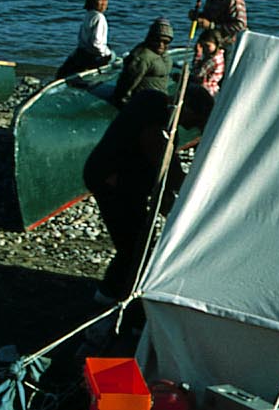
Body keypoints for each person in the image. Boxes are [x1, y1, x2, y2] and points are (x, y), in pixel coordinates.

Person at [84, 85, 214, 304]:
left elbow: (163, 163)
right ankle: (111, 295)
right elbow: (164, 163)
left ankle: (115, 289)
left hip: (122, 178)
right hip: (112, 180)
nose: (192, 128)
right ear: (188, 108)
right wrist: (189, 193)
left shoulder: (153, 102)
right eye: (197, 122)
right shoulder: (154, 114)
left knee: (138, 239)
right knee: (134, 243)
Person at [111, 17, 174, 107]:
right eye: (157, 40)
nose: (161, 44)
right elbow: (128, 82)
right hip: (144, 101)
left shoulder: (164, 55)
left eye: (165, 42)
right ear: (151, 38)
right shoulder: (142, 57)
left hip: (160, 97)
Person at [54, 0, 113, 78]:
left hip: (82, 52)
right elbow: (96, 43)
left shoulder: (88, 15)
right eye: (100, 0)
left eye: (105, 0)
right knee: (113, 56)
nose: (103, 3)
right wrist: (106, 53)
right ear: (92, 1)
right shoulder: (99, 17)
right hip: (93, 56)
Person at [189, 27, 225, 97]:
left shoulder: (212, 61)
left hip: (207, 91)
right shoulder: (220, 55)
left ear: (216, 44)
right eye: (203, 46)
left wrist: (198, 55)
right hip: (214, 90)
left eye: (208, 46)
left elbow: (197, 73)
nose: (205, 49)